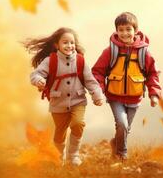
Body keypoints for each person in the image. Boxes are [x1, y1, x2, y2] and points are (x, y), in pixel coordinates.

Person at [25, 27, 104, 166]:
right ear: (57, 45)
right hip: (58, 102)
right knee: (60, 132)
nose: (69, 45)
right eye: (65, 42)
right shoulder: (50, 61)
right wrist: (39, 80)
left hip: (78, 100)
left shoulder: (80, 61)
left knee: (78, 123)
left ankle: (73, 156)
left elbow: (90, 80)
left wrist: (97, 95)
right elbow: (35, 75)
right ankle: (59, 157)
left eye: (72, 42)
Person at [92, 12, 162, 161]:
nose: (124, 33)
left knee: (125, 129)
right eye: (121, 29)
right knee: (122, 125)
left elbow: (152, 74)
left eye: (128, 29)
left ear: (136, 31)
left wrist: (154, 94)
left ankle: (115, 143)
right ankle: (122, 154)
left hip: (135, 98)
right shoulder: (110, 51)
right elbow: (97, 71)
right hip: (114, 97)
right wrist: (99, 91)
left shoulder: (144, 52)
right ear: (116, 31)